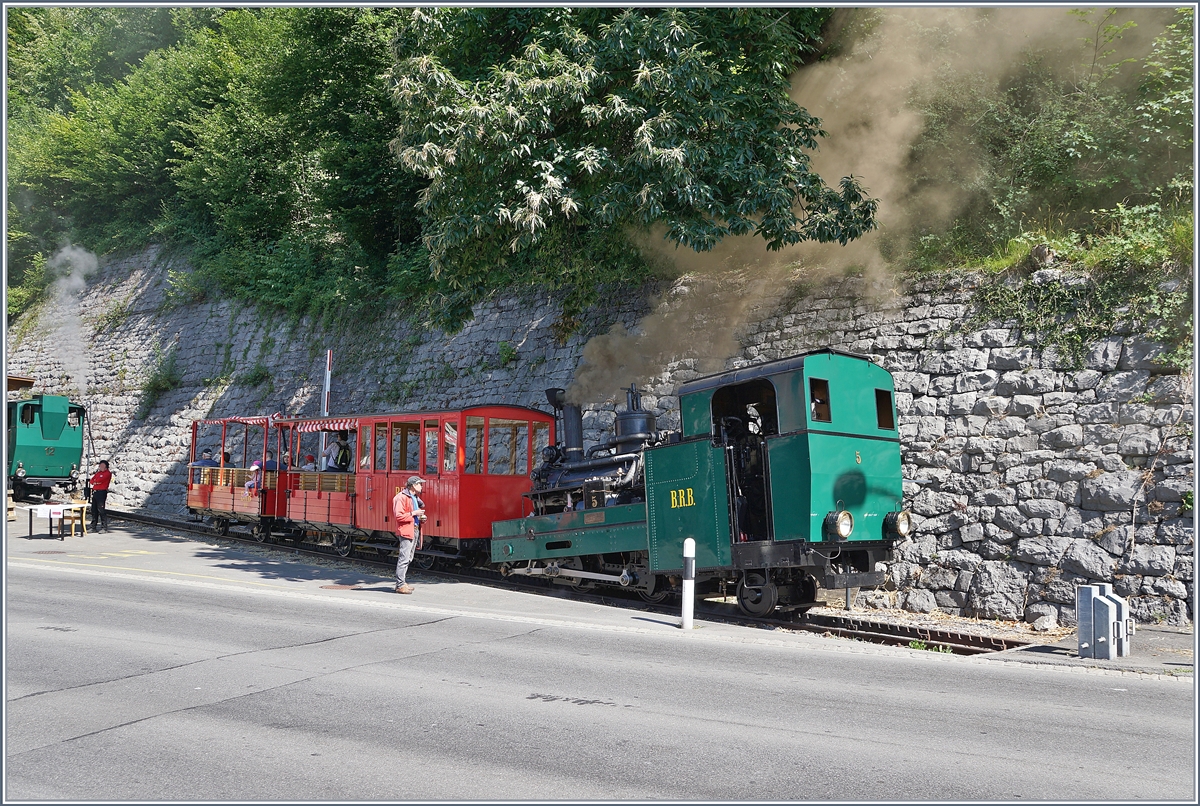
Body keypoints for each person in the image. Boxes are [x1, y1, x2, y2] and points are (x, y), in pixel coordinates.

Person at [391, 475, 426, 594]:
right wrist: (413, 513)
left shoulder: (414, 497)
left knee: (409, 557)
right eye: (420, 484)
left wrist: (421, 517)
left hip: (414, 528)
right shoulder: (401, 498)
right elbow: (399, 516)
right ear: (413, 485)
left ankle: (402, 583)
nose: (421, 486)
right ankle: (400, 585)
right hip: (407, 530)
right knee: (404, 558)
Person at [89, 460, 112, 533]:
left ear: (106, 467)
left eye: (102, 466)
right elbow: (92, 481)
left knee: (101, 509)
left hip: (101, 492)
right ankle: (93, 527)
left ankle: (104, 527)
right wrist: (95, 481)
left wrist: (96, 481)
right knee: (94, 510)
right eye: (100, 465)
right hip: (95, 492)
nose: (100, 467)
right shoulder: (98, 473)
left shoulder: (107, 473)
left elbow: (100, 480)